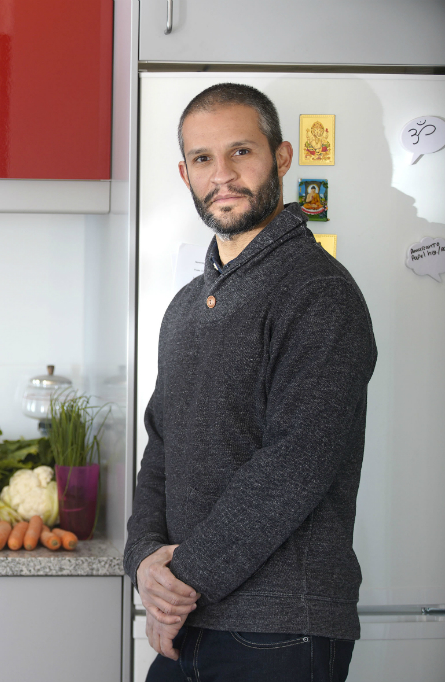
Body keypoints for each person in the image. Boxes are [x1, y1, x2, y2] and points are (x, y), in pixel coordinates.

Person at [125, 83, 376, 681]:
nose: (224, 176)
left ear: (282, 158)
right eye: (205, 159)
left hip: (282, 628)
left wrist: (180, 581)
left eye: (242, 152)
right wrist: (142, 564)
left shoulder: (318, 292)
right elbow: (161, 450)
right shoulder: (186, 306)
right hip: (189, 624)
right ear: (184, 173)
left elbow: (297, 463)